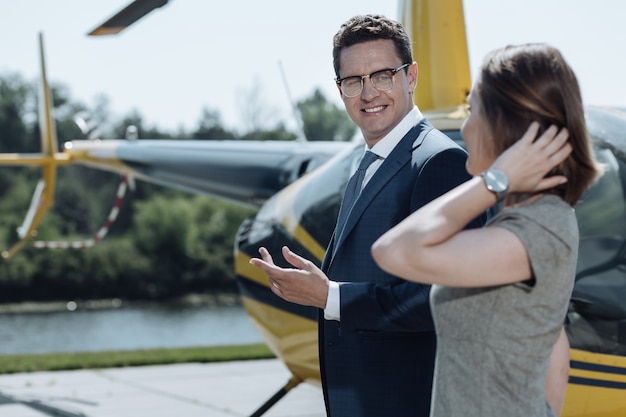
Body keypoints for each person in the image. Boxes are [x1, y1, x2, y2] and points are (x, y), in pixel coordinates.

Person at [249, 14, 485, 417]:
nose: (368, 92)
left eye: (382, 75)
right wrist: (318, 287)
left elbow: (444, 300)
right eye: (353, 80)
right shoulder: (368, 162)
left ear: (410, 77)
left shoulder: (440, 162)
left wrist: (330, 297)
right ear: (340, 89)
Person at [371, 43, 602, 417]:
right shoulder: (534, 220)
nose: (464, 127)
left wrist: (496, 179)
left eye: (473, 111)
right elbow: (555, 354)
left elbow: (393, 251)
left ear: (505, 126)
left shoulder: (540, 228)